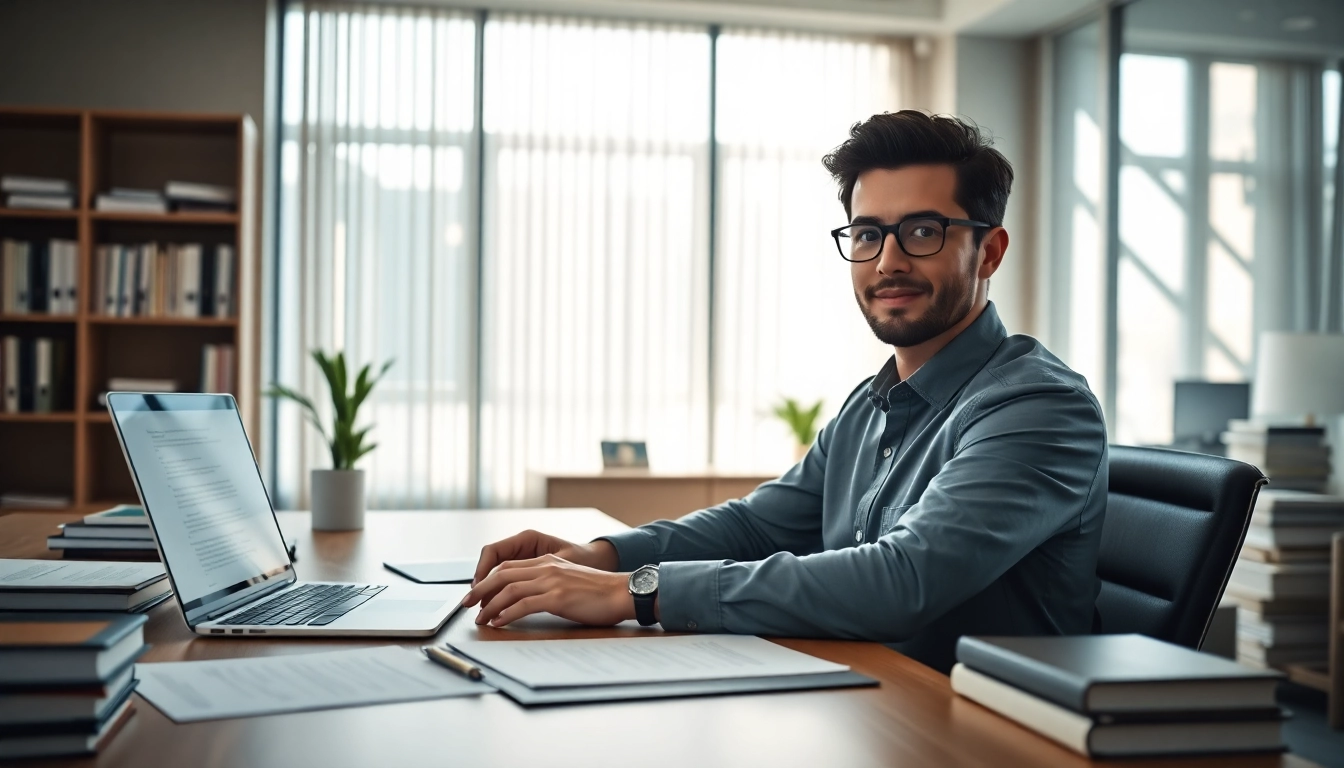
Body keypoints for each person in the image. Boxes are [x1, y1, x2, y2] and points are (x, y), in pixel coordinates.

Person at [464, 110, 1108, 673]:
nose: (887, 262)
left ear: (989, 252)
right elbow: (755, 526)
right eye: (866, 234)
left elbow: (904, 579)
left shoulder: (1039, 407)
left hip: (975, 731)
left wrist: (637, 590)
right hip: (867, 701)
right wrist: (600, 555)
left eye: (922, 231)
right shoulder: (872, 403)